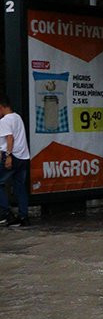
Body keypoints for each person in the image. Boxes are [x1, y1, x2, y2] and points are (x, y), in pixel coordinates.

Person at [0, 95, 31, 227]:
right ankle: (23, 216)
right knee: (20, 187)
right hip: (24, 156)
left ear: (1, 107)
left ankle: (6, 214)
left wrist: (8, 155)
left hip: (13, 157)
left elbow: (10, 138)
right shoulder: (17, 117)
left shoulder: (5, 120)